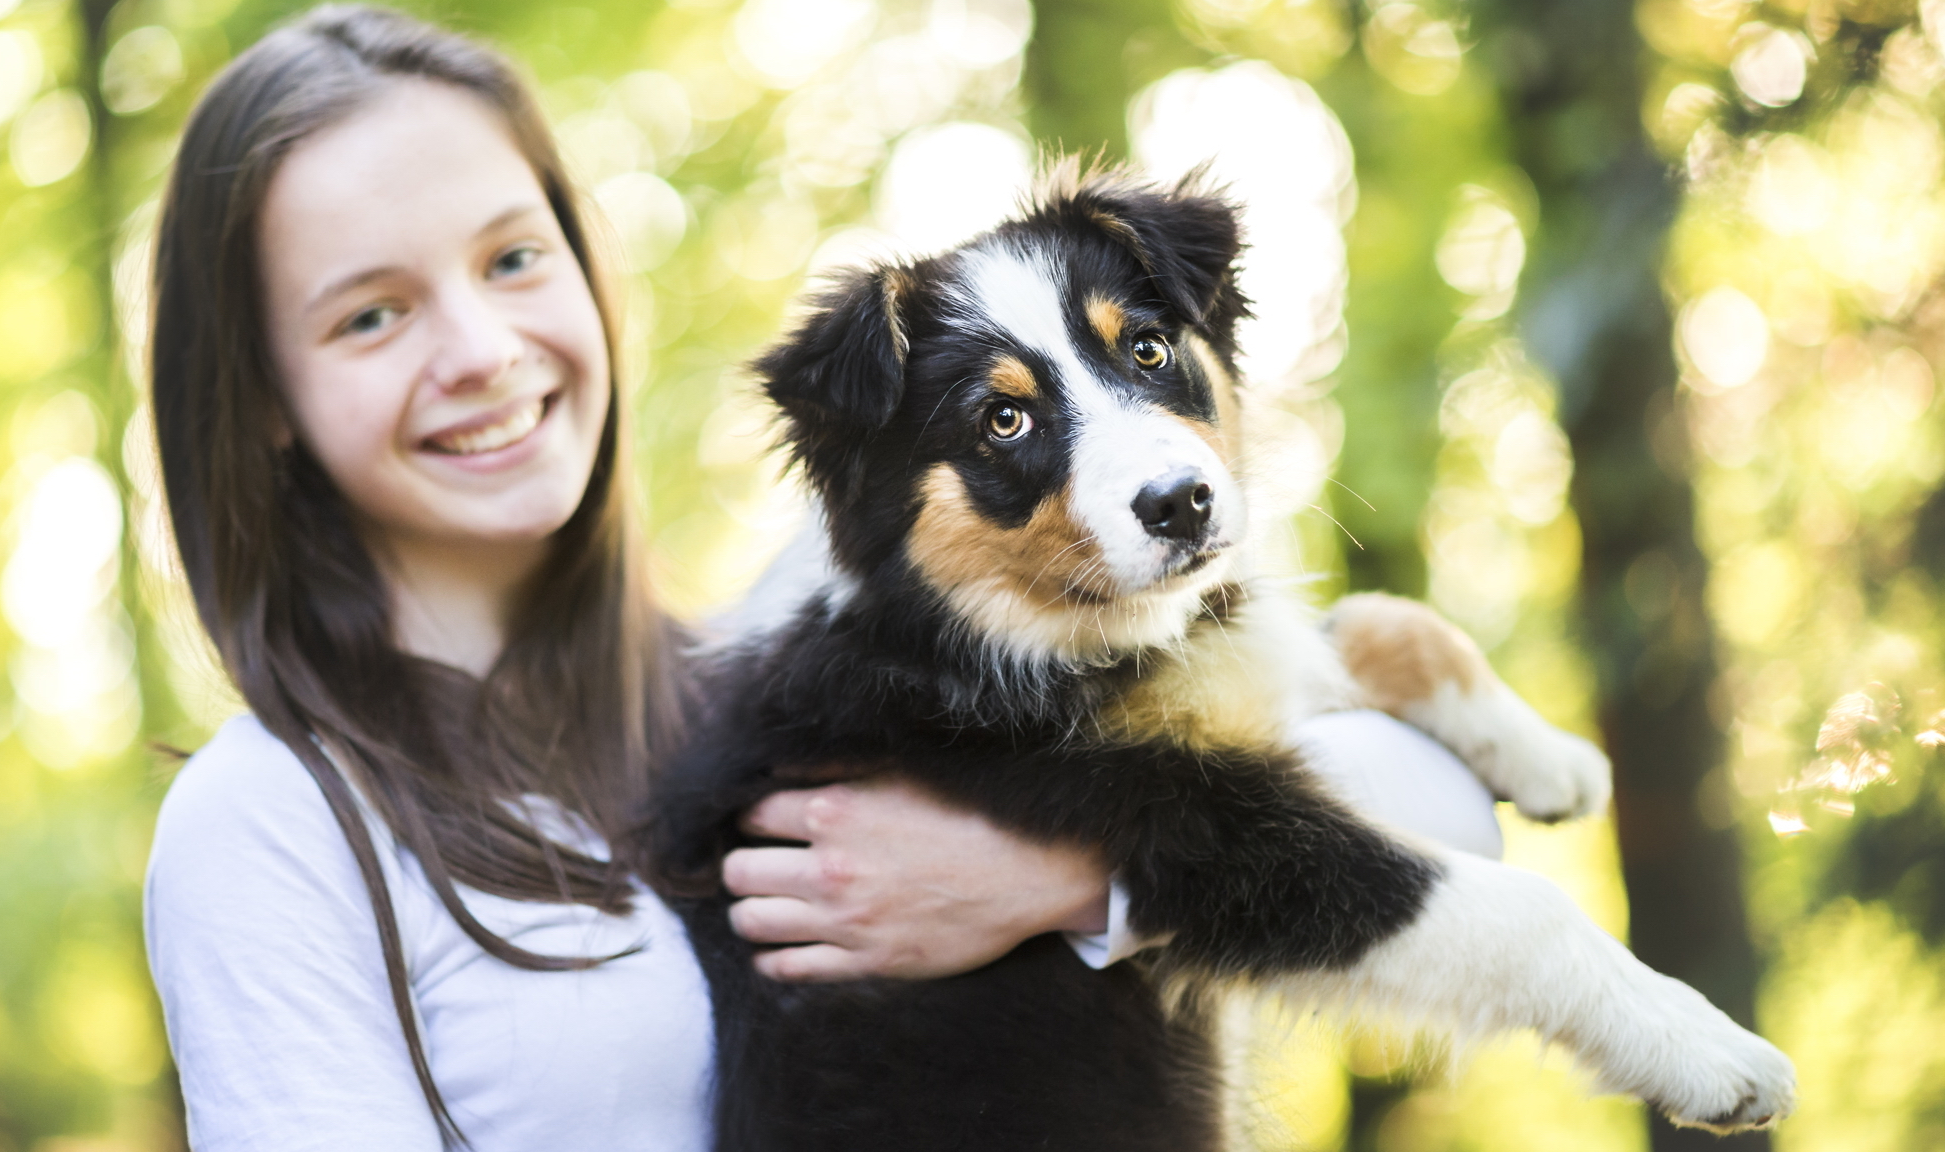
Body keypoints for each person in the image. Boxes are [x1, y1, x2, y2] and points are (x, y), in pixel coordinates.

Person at [141, 7, 1501, 1151]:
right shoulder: (268, 825)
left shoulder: (762, 682)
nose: (482, 347)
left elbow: (1453, 818)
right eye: (372, 312)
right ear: (262, 393)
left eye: (512, 258)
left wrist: (1062, 875)